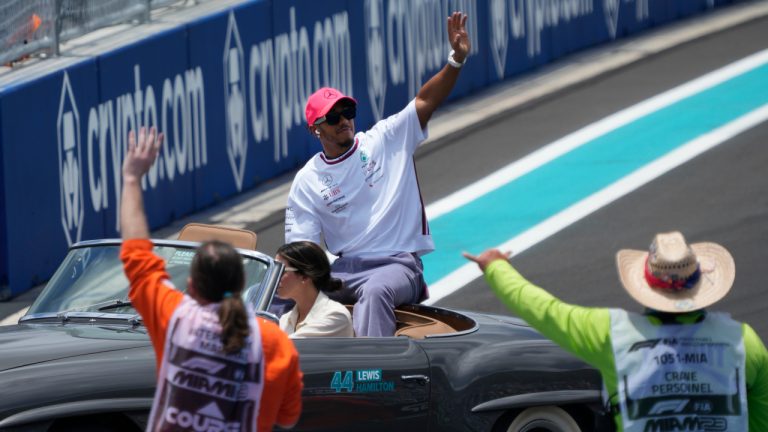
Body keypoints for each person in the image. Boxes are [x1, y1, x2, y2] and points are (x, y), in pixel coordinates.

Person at [464, 231, 768, 431]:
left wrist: (496, 268)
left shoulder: (613, 334)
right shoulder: (743, 341)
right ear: (702, 284)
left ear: (647, 284)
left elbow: (543, 309)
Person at [285, 11, 471, 337]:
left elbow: (426, 100)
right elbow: (304, 251)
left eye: (348, 111)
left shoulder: (385, 138)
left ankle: (372, 380)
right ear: (316, 129)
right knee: (285, 300)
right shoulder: (307, 180)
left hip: (397, 266)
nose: (344, 119)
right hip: (344, 268)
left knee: (375, 292)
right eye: (333, 116)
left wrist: (455, 60)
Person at [120, 126, 303, 431]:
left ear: (191, 286)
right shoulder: (276, 344)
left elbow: (136, 253)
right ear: (241, 285)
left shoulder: (172, 316)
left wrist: (131, 179)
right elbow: (287, 417)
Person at [275, 241, 354, 338]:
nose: (275, 277)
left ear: (305, 276)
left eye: (281, 271)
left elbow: (285, 346)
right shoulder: (285, 319)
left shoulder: (336, 316)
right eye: (274, 271)